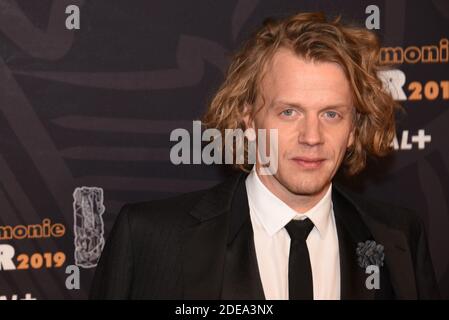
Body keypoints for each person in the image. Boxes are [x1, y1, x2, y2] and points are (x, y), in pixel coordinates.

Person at [89, 12, 440, 299]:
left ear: (353, 128)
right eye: (289, 112)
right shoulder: (153, 238)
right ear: (249, 118)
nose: (312, 137)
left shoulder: (399, 239)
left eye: (331, 114)